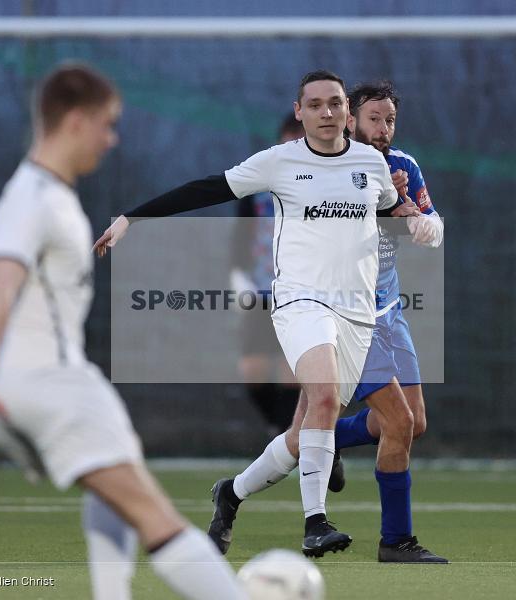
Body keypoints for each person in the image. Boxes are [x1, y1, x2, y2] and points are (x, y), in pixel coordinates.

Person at [95, 70, 434, 557]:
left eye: (335, 103)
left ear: (347, 112)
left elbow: (388, 209)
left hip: (359, 315)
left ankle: (231, 493)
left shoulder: (371, 165)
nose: (326, 112)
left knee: (305, 434)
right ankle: (316, 523)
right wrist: (132, 217)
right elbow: (207, 188)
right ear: (299, 112)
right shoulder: (280, 162)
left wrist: (415, 219)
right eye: (314, 104)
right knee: (322, 399)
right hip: (299, 302)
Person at [0, 64, 245, 600]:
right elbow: (0, 282)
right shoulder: (36, 197)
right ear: (73, 121)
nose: (111, 140)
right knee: (155, 515)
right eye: (106, 125)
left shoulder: (47, 193)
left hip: (30, 378)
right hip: (45, 381)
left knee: (110, 480)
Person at [207, 80, 448, 564]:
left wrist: (423, 224)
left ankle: (235, 490)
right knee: (394, 420)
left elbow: (430, 225)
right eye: (374, 118)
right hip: (338, 313)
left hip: (388, 314)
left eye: (391, 120)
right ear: (351, 120)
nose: (384, 128)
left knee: (406, 423)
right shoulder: (328, 165)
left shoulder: (399, 166)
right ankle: (395, 540)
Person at [230, 113, 304, 438]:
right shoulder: (259, 186)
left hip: (302, 292)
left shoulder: (324, 187)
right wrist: (237, 275)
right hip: (261, 291)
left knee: (294, 372)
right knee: (253, 370)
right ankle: (283, 431)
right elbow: (241, 234)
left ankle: (291, 439)